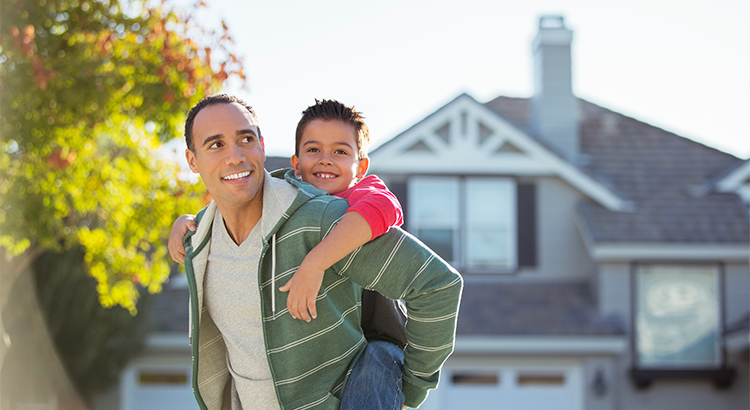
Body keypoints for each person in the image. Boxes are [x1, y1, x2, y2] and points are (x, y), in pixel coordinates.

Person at [179, 94, 462, 410]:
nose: (235, 156)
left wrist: (411, 389)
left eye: (245, 139)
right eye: (216, 144)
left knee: (380, 356)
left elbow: (438, 285)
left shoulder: (327, 220)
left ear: (261, 145)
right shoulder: (201, 240)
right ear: (192, 160)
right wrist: (186, 226)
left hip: (371, 371)